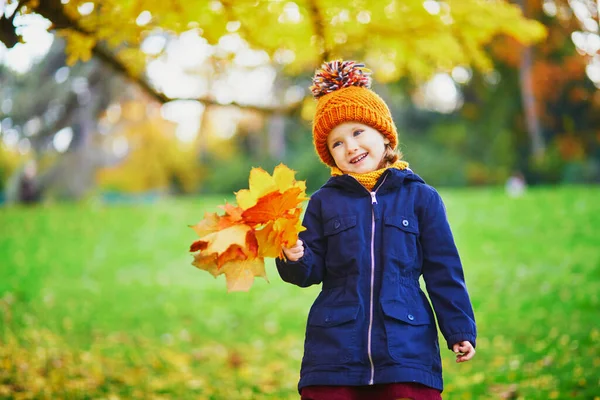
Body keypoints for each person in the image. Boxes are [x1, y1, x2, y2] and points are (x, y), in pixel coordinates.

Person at [276, 60, 477, 400]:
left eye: (357, 133)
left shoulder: (421, 198)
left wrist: (458, 328)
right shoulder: (324, 202)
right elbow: (309, 270)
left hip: (405, 348)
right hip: (335, 350)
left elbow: (444, 270)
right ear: (330, 156)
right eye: (337, 143)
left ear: (384, 135)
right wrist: (294, 256)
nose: (350, 147)